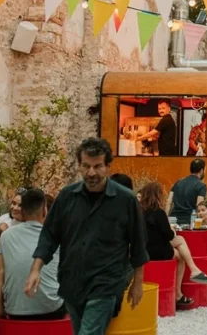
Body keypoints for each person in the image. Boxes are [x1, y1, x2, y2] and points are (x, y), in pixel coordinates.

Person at [28, 138, 148, 335]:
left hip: (106, 283)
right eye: (86, 166)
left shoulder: (126, 200)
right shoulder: (66, 197)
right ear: (79, 166)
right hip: (72, 281)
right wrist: (35, 269)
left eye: (98, 166)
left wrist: (138, 282)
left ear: (108, 166)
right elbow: (49, 235)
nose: (91, 172)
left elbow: (138, 243)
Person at [0, 189, 65, 323]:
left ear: (22, 211)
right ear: (44, 210)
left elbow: (0, 273)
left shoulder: (6, 236)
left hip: (14, 312)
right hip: (51, 311)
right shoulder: (56, 236)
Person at [138, 182, 207, 308]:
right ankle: (182, 288)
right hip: (158, 251)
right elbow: (169, 236)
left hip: (144, 249)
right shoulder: (159, 213)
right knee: (180, 245)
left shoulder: (139, 212)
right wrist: (172, 230)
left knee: (179, 250)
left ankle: (185, 285)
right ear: (157, 196)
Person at [169, 158, 207, 226]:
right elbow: (199, 205)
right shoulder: (201, 186)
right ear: (201, 171)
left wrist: (167, 219)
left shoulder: (178, 182)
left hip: (174, 221)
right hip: (189, 221)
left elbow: (169, 201)